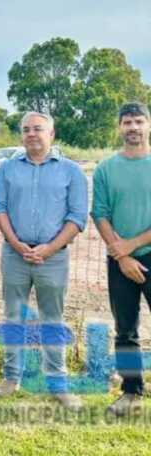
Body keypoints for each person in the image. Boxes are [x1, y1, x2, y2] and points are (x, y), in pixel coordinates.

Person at [0, 112, 87, 409]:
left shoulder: (72, 172)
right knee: (14, 316)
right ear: (21, 134)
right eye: (26, 130)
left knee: (52, 319)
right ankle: (11, 376)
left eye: (38, 129)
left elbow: (77, 218)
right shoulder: (7, 169)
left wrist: (49, 248)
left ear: (52, 134)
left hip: (53, 258)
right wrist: (16, 243)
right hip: (14, 254)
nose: (32, 134)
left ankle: (57, 383)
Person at [92, 102, 151, 417]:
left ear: (148, 125)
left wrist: (132, 245)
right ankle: (131, 392)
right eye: (127, 122)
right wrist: (121, 253)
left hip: (141, 250)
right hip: (119, 261)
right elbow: (99, 213)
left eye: (139, 121)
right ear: (119, 127)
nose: (133, 127)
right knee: (125, 329)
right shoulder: (105, 169)